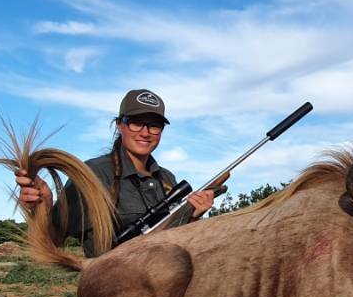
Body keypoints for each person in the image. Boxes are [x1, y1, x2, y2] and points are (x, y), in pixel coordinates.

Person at [15, 89, 218, 257]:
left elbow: (178, 244)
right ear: (120, 125)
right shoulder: (91, 175)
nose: (145, 132)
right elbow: (54, 240)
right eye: (136, 122)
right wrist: (42, 208)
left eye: (154, 125)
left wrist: (193, 218)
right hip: (112, 296)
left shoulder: (167, 180)